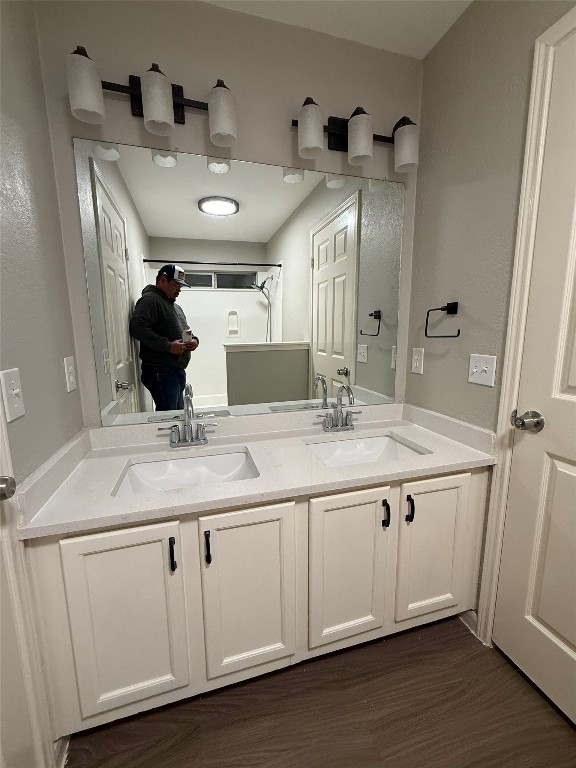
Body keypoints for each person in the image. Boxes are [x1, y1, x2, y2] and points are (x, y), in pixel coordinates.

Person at [129, 264, 199, 411]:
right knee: (169, 418)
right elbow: (137, 327)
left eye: (181, 286)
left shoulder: (175, 307)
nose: (179, 289)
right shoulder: (150, 300)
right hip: (160, 370)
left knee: (178, 415)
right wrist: (168, 346)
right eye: (176, 285)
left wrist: (194, 341)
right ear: (162, 280)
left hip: (175, 370)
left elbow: (185, 331)